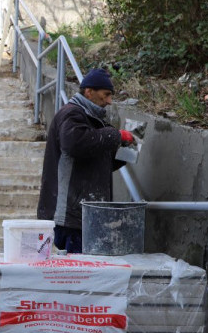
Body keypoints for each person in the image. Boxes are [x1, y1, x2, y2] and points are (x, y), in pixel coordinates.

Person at [36, 68, 137, 253]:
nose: (109, 101)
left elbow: (97, 161)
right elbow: (74, 143)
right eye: (105, 95)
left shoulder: (90, 119)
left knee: (81, 274)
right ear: (89, 92)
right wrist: (115, 135)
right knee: (76, 276)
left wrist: (127, 153)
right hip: (69, 217)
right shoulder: (72, 114)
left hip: (83, 216)